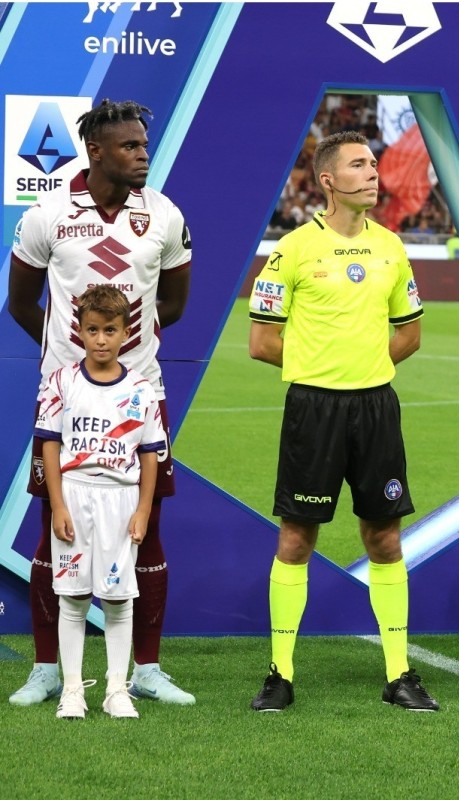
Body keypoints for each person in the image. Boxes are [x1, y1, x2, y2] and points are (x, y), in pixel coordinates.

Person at [8, 99, 194, 706]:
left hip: (142, 398)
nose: (144, 154)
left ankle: (146, 667)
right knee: (53, 529)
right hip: (63, 402)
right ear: (95, 151)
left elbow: (175, 303)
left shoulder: (164, 215)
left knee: (147, 528)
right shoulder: (48, 215)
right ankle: (46, 669)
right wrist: (76, 368)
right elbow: (21, 303)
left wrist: (120, 365)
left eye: (144, 144)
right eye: (131, 146)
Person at [248, 130, 438, 712]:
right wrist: (321, 368)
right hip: (314, 407)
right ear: (328, 180)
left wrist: (367, 365)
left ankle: (400, 674)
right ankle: (280, 674)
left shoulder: (391, 247)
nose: (374, 171)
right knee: (297, 536)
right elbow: (261, 341)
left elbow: (409, 331)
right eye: (359, 164)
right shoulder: (292, 251)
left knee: (384, 537)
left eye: (374, 162)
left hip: (376, 406)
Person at [35, 286, 165, 719]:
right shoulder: (61, 382)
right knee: (71, 598)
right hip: (74, 494)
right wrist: (58, 505)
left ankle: (116, 690)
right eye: (93, 330)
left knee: (117, 598)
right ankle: (73, 691)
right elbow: (50, 447)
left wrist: (143, 510)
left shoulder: (142, 390)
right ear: (80, 331)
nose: (102, 339)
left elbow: (149, 455)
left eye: (110, 330)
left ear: (126, 332)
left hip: (121, 500)